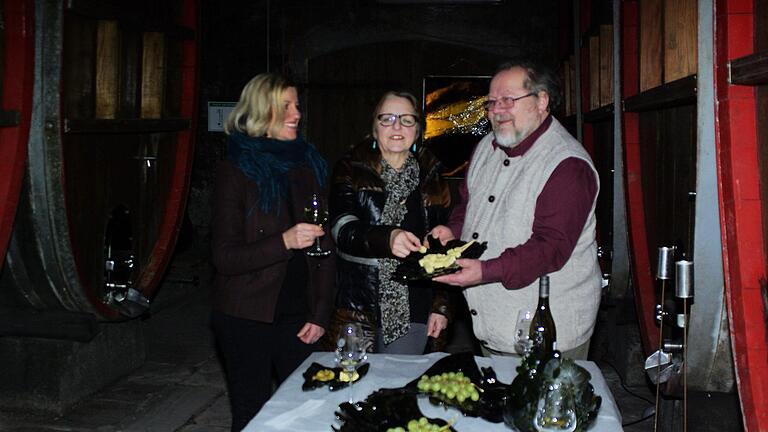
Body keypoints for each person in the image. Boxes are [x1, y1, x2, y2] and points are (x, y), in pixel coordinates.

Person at [430, 59, 601, 360]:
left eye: (509, 100)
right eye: (492, 102)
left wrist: (484, 271)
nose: (497, 110)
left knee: (543, 408)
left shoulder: (567, 166)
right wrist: (452, 231)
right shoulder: (486, 146)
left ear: (542, 101)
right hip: (493, 322)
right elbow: (467, 205)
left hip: (548, 334)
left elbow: (549, 249)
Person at [210, 73, 336, 431]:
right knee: (252, 413)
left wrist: (321, 313)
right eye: (286, 106)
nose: (297, 113)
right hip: (246, 315)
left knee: (311, 406)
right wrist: (283, 241)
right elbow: (224, 257)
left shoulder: (307, 165)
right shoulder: (234, 171)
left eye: (297, 105)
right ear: (261, 112)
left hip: (299, 315)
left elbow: (324, 248)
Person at [326, 91, 451, 354]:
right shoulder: (350, 168)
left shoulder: (432, 174)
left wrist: (441, 306)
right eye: (388, 118)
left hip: (414, 306)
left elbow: (445, 248)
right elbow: (341, 229)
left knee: (399, 388)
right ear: (375, 127)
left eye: (407, 119)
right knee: (355, 387)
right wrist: (387, 238)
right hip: (359, 305)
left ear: (417, 130)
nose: (397, 126)